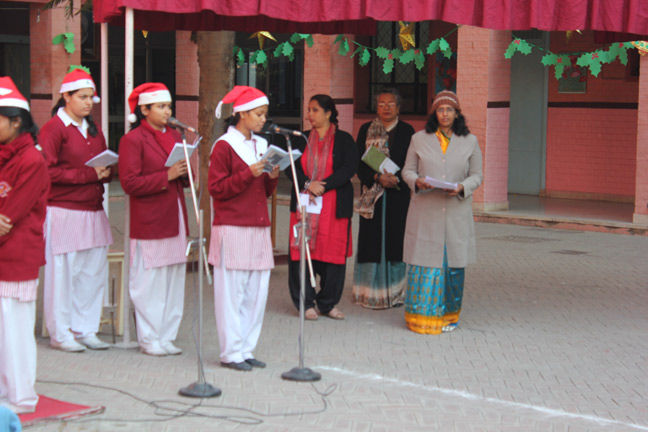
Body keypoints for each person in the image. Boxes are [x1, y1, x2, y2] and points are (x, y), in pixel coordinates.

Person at [40, 67, 112, 352]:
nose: (88, 102)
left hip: (93, 208)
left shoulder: (94, 129)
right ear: (66, 96)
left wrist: (105, 172)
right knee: (63, 275)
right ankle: (60, 332)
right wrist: (88, 175)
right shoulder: (53, 129)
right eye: (82, 97)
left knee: (91, 273)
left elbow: (100, 163)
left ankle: (86, 328)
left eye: (90, 97)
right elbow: (46, 172)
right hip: (64, 210)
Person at [401, 90, 483, 334]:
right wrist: (417, 182)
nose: (444, 114)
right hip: (425, 212)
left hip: (456, 212)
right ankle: (420, 317)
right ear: (434, 113)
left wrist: (461, 187)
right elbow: (407, 171)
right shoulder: (419, 139)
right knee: (423, 264)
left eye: (449, 110)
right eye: (440, 109)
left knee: (453, 267)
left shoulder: (470, 141)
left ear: (457, 113)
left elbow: (477, 175)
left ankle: (449, 316)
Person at [209, 86, 279, 371]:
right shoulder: (224, 146)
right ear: (241, 114)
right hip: (232, 225)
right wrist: (247, 173)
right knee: (232, 293)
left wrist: (272, 177)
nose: (263, 119)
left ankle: (246, 349)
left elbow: (264, 192)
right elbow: (216, 189)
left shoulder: (262, 145)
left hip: (259, 226)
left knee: (256, 293)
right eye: (258, 114)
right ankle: (231, 352)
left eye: (264, 114)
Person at [119, 83, 189, 356]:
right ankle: (149, 338)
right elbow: (129, 182)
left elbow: (183, 176)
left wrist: (184, 172)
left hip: (175, 214)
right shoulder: (133, 139)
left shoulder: (175, 135)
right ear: (144, 110)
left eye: (168, 106)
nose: (167, 111)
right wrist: (166, 176)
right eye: (160, 107)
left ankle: (167, 336)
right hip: (150, 219)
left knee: (173, 279)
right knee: (150, 281)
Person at [0, 77, 49, 414]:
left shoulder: (31, 160)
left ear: (16, 122)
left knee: (15, 331)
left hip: (17, 254)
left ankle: (21, 397)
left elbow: (11, 216)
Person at [287, 94, 358, 321]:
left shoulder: (344, 139)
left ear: (328, 113)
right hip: (304, 207)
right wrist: (308, 184)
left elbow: (349, 168)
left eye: (315, 110)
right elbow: (290, 166)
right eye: (308, 109)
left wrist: (323, 186)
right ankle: (306, 303)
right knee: (302, 254)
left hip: (334, 206)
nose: (310, 114)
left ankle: (328, 303)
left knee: (332, 255)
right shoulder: (300, 139)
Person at [352, 88, 415, 309]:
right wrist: (378, 177)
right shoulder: (366, 129)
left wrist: (396, 179)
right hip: (373, 196)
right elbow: (359, 163)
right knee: (371, 242)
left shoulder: (407, 131)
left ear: (398, 108)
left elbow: (412, 163)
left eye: (390, 104)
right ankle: (369, 293)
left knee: (396, 242)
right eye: (381, 104)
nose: (386, 108)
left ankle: (395, 294)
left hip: (399, 196)